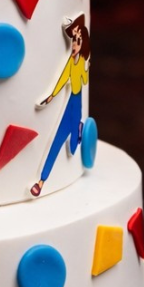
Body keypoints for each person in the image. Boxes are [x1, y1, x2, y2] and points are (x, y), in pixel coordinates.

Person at [31, 13, 93, 197]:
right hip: (69, 104)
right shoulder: (71, 63)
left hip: (77, 104)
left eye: (77, 42)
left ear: (83, 44)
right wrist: (51, 97)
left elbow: (84, 80)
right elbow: (62, 80)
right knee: (57, 141)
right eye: (73, 41)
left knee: (73, 146)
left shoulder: (81, 63)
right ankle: (41, 182)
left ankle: (78, 131)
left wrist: (86, 67)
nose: (74, 45)